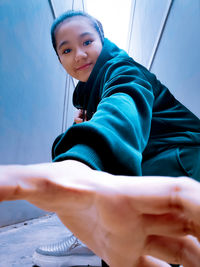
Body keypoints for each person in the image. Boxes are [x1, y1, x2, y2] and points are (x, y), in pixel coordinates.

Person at [1, 9, 200, 267]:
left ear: (102, 41)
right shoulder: (89, 94)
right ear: (60, 60)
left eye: (87, 42)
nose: (79, 55)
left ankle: (95, 238)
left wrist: (80, 162)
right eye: (66, 50)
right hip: (164, 170)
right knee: (125, 242)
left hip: (187, 166)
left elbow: (123, 101)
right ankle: (93, 238)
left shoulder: (121, 68)